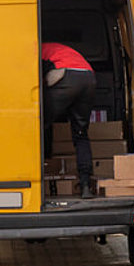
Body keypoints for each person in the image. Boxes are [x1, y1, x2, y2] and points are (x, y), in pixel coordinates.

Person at [41, 42, 97, 199]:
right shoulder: (57, 48)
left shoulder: (34, 50)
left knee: (39, 125)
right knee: (81, 133)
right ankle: (85, 185)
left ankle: (38, 184)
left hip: (65, 74)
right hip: (88, 76)